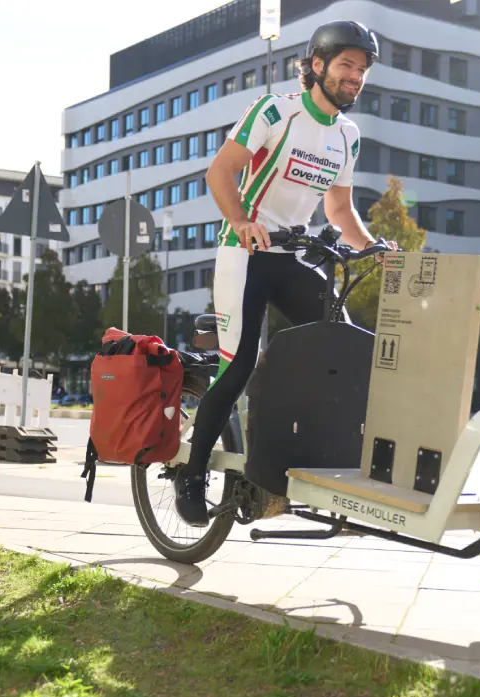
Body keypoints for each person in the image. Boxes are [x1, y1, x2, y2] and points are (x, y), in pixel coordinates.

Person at [172, 20, 395, 526]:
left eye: (362, 71)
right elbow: (220, 171)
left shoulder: (348, 136)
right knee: (238, 366)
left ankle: (310, 461)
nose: (355, 77)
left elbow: (339, 209)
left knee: (342, 346)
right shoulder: (276, 112)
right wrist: (242, 221)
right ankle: (193, 474)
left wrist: (373, 247)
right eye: (346, 66)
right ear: (317, 65)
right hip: (245, 253)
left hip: (294, 255)